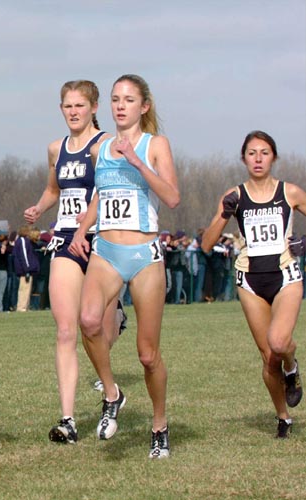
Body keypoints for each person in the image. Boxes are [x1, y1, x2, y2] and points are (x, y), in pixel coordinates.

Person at [69, 74, 179, 459]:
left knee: (148, 355)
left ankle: (160, 426)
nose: (120, 105)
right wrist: (82, 230)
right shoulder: (101, 149)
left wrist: (138, 162)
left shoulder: (155, 144)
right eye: (115, 98)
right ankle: (112, 394)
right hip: (105, 252)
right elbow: (101, 196)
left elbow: (172, 196)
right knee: (88, 321)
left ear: (143, 106)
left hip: (144, 254)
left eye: (128, 99)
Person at [24, 80, 125, 443]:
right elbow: (54, 188)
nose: (73, 111)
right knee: (67, 331)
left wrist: (88, 226)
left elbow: (109, 190)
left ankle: (116, 321)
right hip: (66, 238)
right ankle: (67, 419)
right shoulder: (56, 148)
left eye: (80, 105)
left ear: (94, 107)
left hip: (102, 240)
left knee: (98, 330)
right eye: (68, 105)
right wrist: (40, 207)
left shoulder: (107, 145)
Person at [201, 130, 304, 438]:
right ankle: (283, 417)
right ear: (243, 158)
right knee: (268, 357)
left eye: (264, 153)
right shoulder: (234, 195)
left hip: (285, 275)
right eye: (252, 153)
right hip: (250, 279)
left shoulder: (290, 192)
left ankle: (292, 365)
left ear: (274, 157)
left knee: (279, 342)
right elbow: (207, 243)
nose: (258, 159)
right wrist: (224, 214)